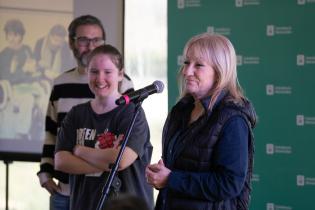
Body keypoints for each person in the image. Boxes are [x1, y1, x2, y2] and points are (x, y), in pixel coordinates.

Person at [146, 33, 257, 210]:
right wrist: (160, 176)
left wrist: (171, 178)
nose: (187, 71)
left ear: (220, 72)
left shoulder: (233, 120)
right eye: (186, 63)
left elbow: (229, 184)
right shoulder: (180, 110)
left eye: (198, 65)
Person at [37, 15, 134, 210]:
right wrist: (45, 172)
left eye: (96, 40)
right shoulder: (61, 83)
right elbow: (51, 131)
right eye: (83, 40)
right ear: (72, 43)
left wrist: (79, 154)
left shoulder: (124, 84)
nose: (90, 46)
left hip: (105, 192)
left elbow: (126, 147)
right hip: (64, 192)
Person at [54, 44, 154, 210]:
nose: (100, 79)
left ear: (120, 74)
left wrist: (80, 151)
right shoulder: (76, 114)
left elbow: (122, 160)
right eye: (94, 71)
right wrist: (107, 159)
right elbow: (61, 161)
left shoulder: (132, 113)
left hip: (126, 205)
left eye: (108, 72)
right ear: (87, 73)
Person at [0, 19, 36, 84]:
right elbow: (5, 79)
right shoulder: (3, 54)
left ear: (21, 36)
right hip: (11, 88)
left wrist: (33, 68)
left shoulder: (26, 49)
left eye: (16, 35)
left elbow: (32, 72)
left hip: (28, 85)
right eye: (10, 35)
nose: (12, 38)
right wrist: (23, 70)